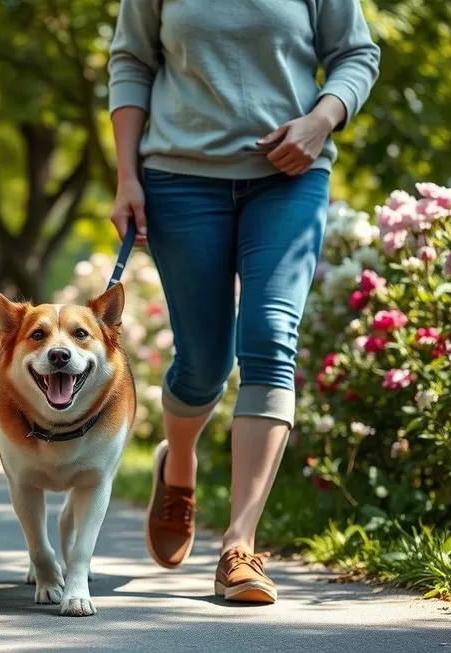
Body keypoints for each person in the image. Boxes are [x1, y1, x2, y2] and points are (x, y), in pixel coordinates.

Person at [108, 0, 380, 603]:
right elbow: (131, 63)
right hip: (180, 179)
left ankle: (239, 546)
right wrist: (126, 177)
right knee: (203, 364)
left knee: (270, 334)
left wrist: (321, 120)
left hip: (291, 177)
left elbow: (356, 54)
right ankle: (179, 463)